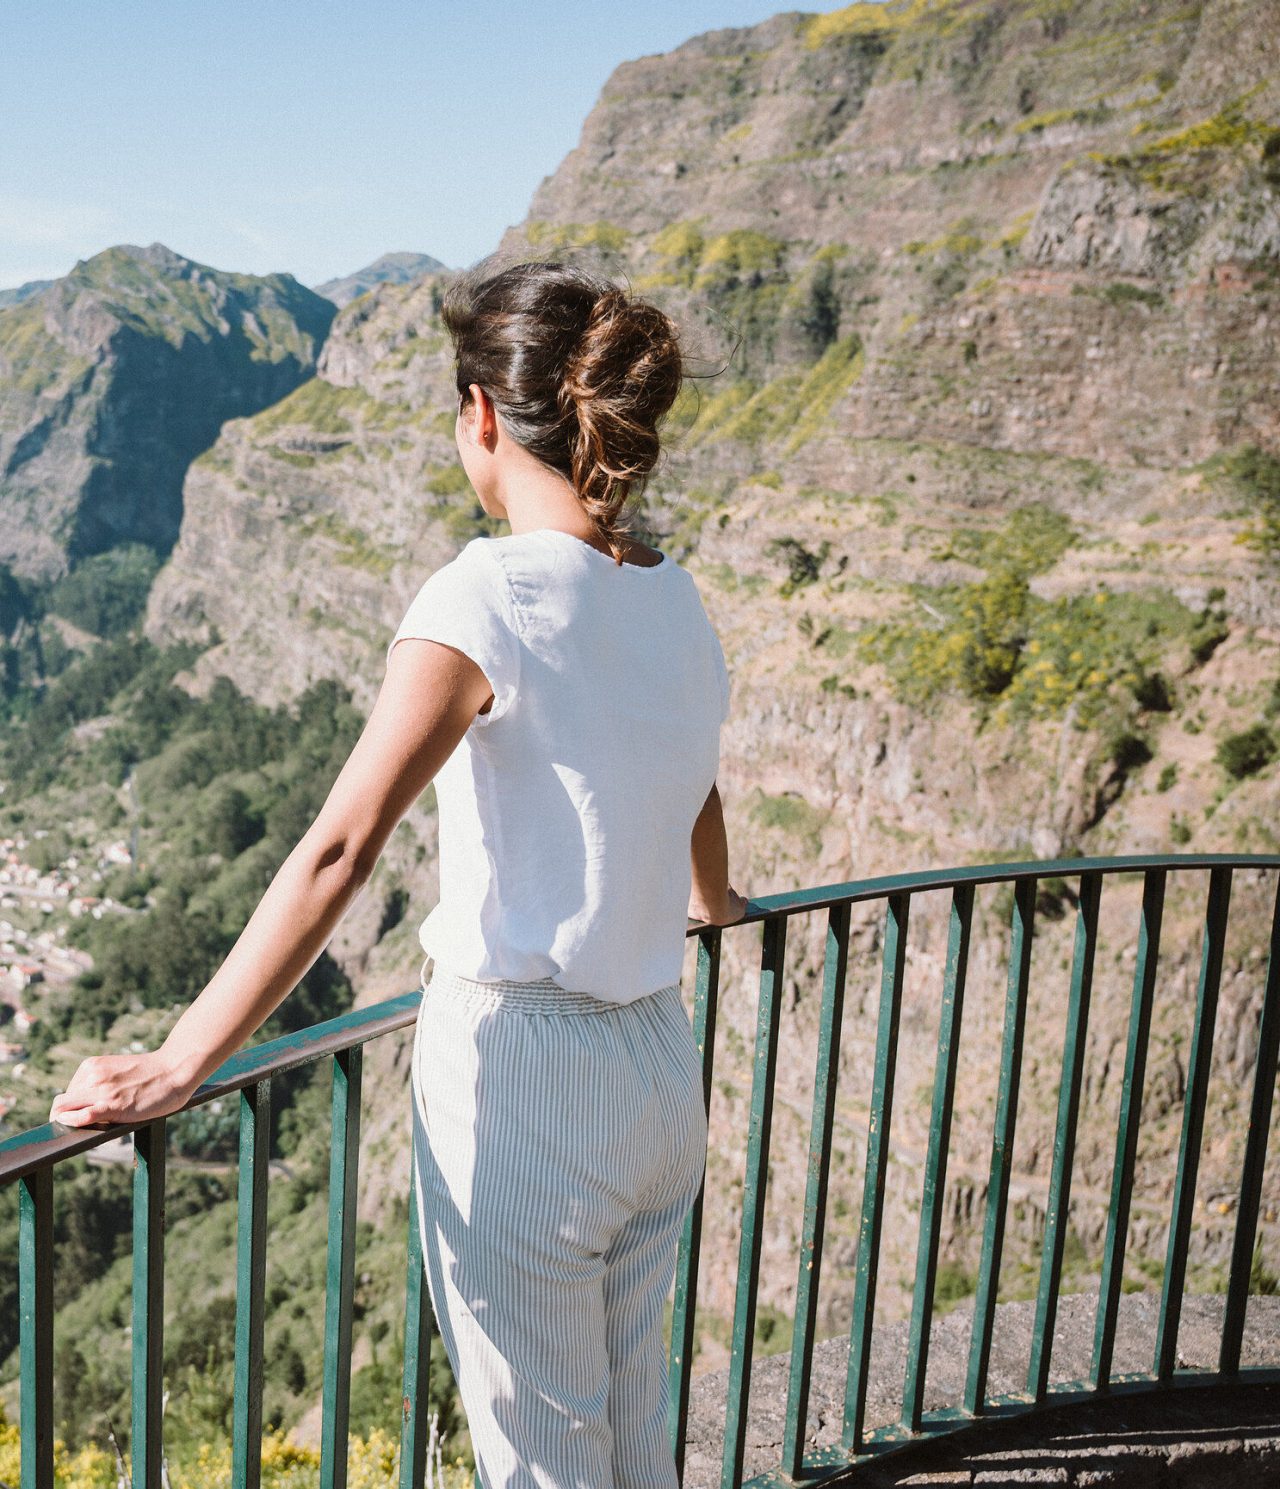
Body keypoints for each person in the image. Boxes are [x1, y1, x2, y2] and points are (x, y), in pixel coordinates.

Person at [48, 258, 746, 1487]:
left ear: (481, 414)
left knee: (543, 1466)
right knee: (641, 1448)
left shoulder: (486, 590)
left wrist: (182, 1059)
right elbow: (694, 778)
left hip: (526, 1078)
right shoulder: (673, 595)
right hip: (657, 1065)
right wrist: (719, 904)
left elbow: (340, 845)